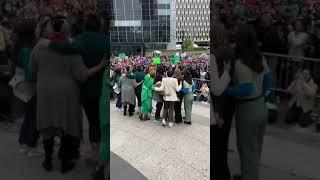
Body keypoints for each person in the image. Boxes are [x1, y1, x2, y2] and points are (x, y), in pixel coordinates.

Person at [30, 16, 107, 173]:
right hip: (67, 94)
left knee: (48, 127)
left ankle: (48, 161)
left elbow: (32, 70)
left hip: (45, 91)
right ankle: (65, 163)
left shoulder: (39, 47)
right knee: (67, 128)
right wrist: (100, 66)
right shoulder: (72, 50)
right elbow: (82, 75)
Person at [226, 24, 272, 180]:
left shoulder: (240, 63)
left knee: (246, 149)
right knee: (256, 148)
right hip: (261, 106)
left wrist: (226, 89)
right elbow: (268, 80)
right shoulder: (260, 57)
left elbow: (246, 89)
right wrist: (263, 96)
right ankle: (248, 174)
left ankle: (249, 176)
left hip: (247, 110)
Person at [15, 19, 41, 157]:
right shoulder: (27, 50)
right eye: (36, 28)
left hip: (26, 87)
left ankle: (24, 142)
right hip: (31, 86)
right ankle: (31, 145)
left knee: (29, 115)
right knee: (34, 116)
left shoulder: (23, 47)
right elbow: (30, 74)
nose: (38, 30)